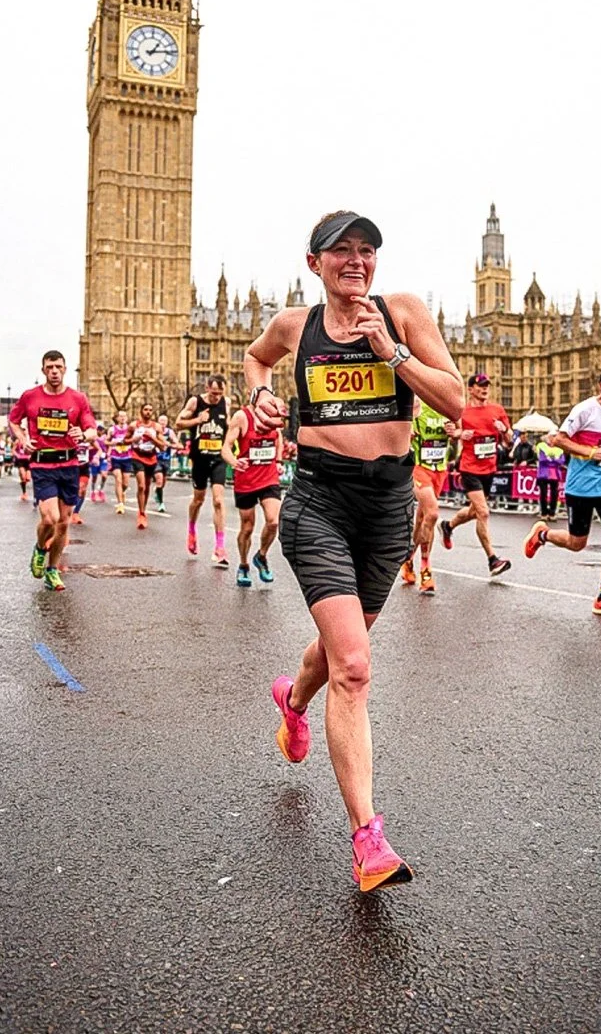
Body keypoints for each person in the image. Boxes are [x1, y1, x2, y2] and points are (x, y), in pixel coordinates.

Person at [243, 210, 464, 891]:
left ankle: (293, 700)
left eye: (367, 250)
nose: (357, 260)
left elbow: (455, 401)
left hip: (386, 507)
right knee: (358, 667)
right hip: (318, 503)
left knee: (343, 651)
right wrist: (258, 393)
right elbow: (255, 357)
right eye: (341, 251)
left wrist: (391, 354)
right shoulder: (293, 326)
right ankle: (367, 837)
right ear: (315, 264)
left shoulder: (401, 314)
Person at [523, 367, 601, 618]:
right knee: (576, 543)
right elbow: (558, 440)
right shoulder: (584, 410)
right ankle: (543, 535)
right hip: (580, 487)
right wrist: (590, 452)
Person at [8, 350, 97, 591]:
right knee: (50, 518)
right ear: (43, 370)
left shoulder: (78, 399)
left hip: (69, 464)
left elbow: (92, 429)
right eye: (50, 367)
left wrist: (84, 435)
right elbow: (14, 420)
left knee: (64, 524)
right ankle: (39, 549)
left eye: (58, 366)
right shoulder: (30, 397)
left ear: (65, 369)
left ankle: (52, 570)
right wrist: (22, 437)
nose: (54, 371)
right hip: (42, 463)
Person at [438, 374, 513, 577]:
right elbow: (450, 432)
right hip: (469, 468)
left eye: (486, 385)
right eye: (480, 386)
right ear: (470, 389)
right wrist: (459, 434)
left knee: (474, 511)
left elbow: (509, 441)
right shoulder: (463, 412)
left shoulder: (497, 410)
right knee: (483, 512)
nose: (484, 389)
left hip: (489, 469)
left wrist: (504, 429)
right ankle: (493, 559)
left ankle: (448, 525)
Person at [221, 402, 284, 587]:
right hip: (246, 479)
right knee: (247, 527)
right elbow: (226, 447)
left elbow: (278, 436)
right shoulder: (241, 417)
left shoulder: (273, 414)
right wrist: (234, 462)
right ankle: (243, 564)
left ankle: (261, 556)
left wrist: (279, 460)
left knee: (274, 521)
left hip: (269, 477)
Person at [400, 397, 455, 595]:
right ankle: (425, 568)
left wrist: (455, 433)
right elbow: (403, 430)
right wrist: (408, 432)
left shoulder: (447, 405)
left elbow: (458, 429)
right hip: (419, 468)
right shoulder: (416, 405)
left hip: (439, 469)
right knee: (432, 514)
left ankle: (408, 559)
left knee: (423, 520)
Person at [176, 375, 230, 566]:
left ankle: (220, 547)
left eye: (219, 394)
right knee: (198, 500)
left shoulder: (226, 403)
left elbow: (229, 428)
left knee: (218, 500)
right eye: (213, 393)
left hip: (218, 458)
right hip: (199, 458)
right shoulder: (195, 402)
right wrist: (198, 419)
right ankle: (191, 531)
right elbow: (178, 423)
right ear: (207, 388)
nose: (216, 398)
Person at [127, 403, 167, 529]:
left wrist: (152, 439)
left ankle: (143, 509)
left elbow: (162, 446)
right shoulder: (134, 425)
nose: (148, 412)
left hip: (151, 457)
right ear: (141, 411)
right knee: (141, 485)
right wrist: (134, 439)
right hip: (137, 456)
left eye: (150, 410)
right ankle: (141, 513)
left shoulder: (157, 427)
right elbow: (125, 440)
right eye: (145, 409)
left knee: (147, 486)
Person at [107, 410, 133, 514]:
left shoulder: (130, 429)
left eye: (124, 416)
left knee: (125, 483)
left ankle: (122, 493)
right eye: (120, 416)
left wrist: (128, 441)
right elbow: (106, 441)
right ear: (117, 418)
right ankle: (120, 504)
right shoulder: (112, 430)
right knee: (118, 479)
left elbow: (134, 440)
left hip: (127, 457)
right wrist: (113, 442)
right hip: (115, 457)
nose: (122, 418)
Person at [153, 414, 179, 513]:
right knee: (159, 480)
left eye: (165, 421)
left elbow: (176, 442)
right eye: (161, 421)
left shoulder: (170, 432)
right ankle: (161, 503)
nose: (163, 423)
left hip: (166, 459)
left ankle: (157, 491)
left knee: (163, 482)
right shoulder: (154, 431)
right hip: (155, 459)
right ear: (158, 422)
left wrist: (172, 445)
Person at [535, 436, 565, 521]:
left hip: (555, 475)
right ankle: (544, 513)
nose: (552, 440)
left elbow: (562, 461)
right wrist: (554, 460)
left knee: (554, 495)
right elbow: (542, 459)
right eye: (550, 438)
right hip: (543, 474)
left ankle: (552, 513)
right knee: (543, 494)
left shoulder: (559, 450)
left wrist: (550, 460)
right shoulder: (541, 447)